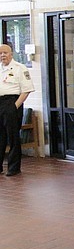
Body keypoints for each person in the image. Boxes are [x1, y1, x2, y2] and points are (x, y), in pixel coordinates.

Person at [0, 44, 34, 176]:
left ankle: (13, 168)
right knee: (0, 136)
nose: (2, 55)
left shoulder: (20, 68)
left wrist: (14, 107)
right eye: (0, 53)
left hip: (12, 103)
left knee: (13, 137)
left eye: (5, 53)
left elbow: (26, 90)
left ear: (11, 54)